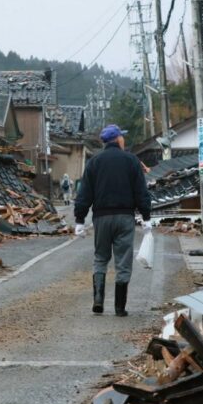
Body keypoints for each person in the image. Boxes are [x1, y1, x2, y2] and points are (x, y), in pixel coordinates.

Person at [74, 124, 151, 317]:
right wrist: (146, 216)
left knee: (100, 257)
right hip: (125, 217)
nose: (124, 140)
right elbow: (141, 192)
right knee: (123, 261)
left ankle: (98, 300)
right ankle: (119, 307)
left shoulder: (94, 162)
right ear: (118, 139)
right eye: (122, 137)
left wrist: (80, 220)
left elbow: (84, 193)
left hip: (101, 218)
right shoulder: (131, 161)